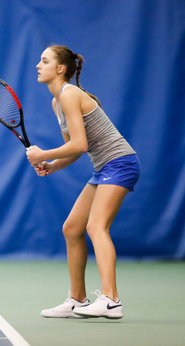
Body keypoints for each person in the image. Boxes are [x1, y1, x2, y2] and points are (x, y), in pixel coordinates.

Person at [26, 45, 140, 319]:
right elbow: (74, 150)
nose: (38, 66)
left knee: (96, 226)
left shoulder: (69, 95)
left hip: (120, 163)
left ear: (60, 69)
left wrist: (43, 153)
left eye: (44, 61)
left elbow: (80, 143)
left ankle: (112, 300)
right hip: (104, 168)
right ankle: (77, 300)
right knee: (72, 228)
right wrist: (52, 165)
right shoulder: (57, 102)